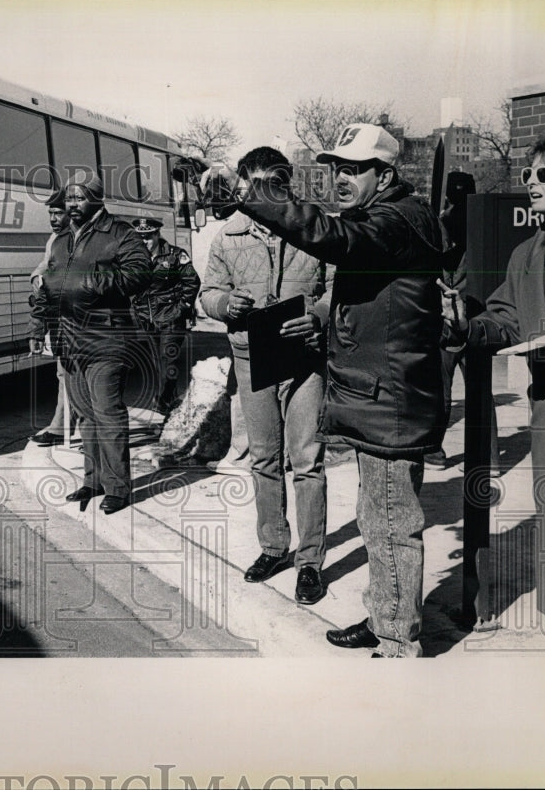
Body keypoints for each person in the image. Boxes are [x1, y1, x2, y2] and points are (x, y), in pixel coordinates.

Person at [202, 124, 448, 656]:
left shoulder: (394, 221)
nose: (340, 177)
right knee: (378, 519)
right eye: (335, 167)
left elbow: (333, 242)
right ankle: (388, 615)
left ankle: (396, 642)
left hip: (391, 400)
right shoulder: (389, 216)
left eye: (353, 169)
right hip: (378, 395)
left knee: (388, 521)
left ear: (384, 176)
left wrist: (251, 194)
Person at [441, 133, 545, 657]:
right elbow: (504, 317)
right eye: (528, 174)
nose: (532, 182)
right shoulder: (527, 252)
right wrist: (466, 325)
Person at [200, 146, 334, 604]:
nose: (262, 192)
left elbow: (340, 286)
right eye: (253, 183)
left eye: (272, 183)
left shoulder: (314, 228)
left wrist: (318, 314)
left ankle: (310, 562)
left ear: (286, 184)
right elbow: (208, 291)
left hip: (303, 360)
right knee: (263, 459)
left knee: (308, 460)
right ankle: (274, 547)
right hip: (251, 356)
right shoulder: (228, 235)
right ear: (242, 183)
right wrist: (224, 305)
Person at [35, 169, 151, 515]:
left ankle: (117, 487)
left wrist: (90, 281)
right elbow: (46, 287)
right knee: (85, 415)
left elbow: (140, 273)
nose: (72, 204)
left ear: (96, 198)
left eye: (79, 197)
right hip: (69, 340)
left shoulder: (119, 233)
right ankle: (93, 479)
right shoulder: (61, 240)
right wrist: (37, 326)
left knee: (108, 414)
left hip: (106, 339)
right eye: (69, 197)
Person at [424, 253, 500, 474]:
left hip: (453, 325)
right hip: (472, 321)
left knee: (440, 390)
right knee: (479, 392)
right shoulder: (477, 240)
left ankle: (434, 454)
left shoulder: (439, 239)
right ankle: (488, 459)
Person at [129, 217, 201, 417]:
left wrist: (183, 307)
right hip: (147, 318)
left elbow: (192, 281)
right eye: (140, 237)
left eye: (148, 237)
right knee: (157, 362)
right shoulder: (134, 258)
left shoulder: (176, 255)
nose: (144, 241)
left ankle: (161, 403)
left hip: (171, 318)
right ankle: (170, 398)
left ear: (157, 235)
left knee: (168, 360)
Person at [28, 191, 78, 446]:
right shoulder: (55, 239)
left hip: (77, 319)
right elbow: (45, 266)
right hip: (59, 317)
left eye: (59, 213)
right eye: (51, 214)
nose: (53, 218)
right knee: (64, 372)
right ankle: (63, 425)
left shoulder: (75, 238)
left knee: (73, 374)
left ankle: (64, 427)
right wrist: (37, 277)